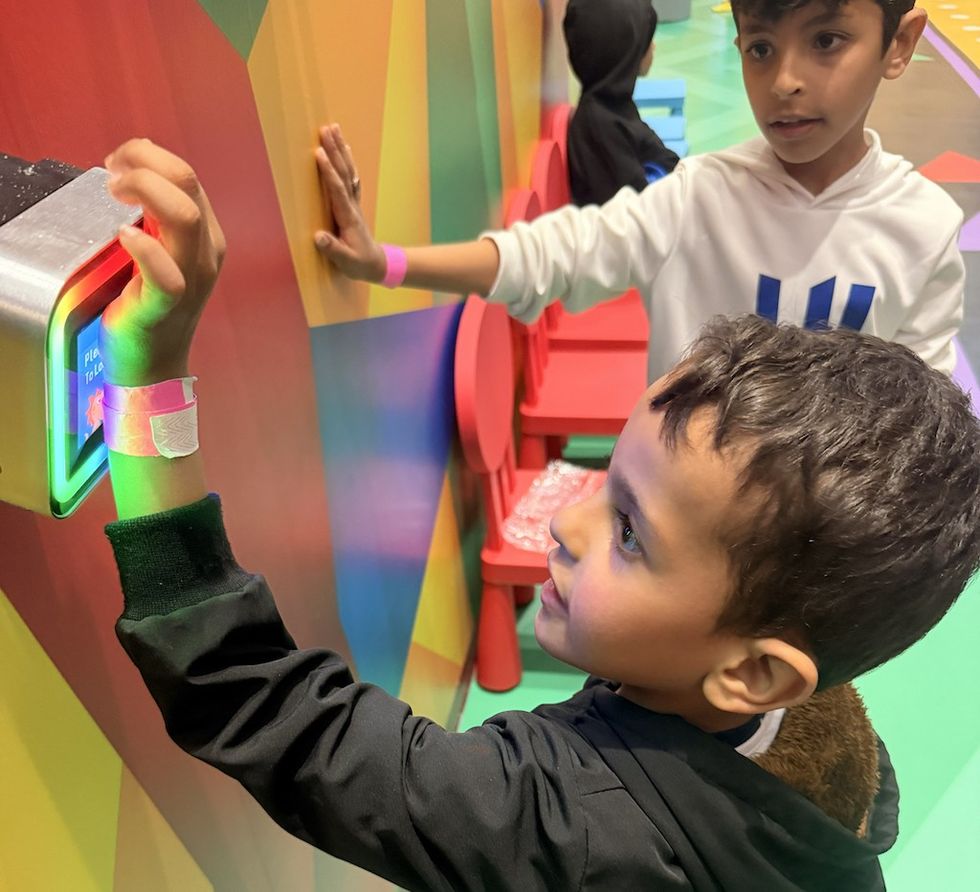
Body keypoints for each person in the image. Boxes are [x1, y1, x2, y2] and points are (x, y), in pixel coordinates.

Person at [101, 138, 980, 891]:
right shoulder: (813, 736)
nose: (566, 523)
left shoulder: (566, 825)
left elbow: (259, 705)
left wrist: (148, 375)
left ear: (752, 673)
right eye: (609, 483)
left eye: (630, 532)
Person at [314, 0, 965, 381]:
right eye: (760, 48)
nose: (786, 80)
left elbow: (924, 427)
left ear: (899, 42)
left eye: (826, 41)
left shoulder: (925, 228)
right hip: (681, 542)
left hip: (826, 572)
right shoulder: (700, 196)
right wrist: (387, 263)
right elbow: (554, 253)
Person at [563, 0, 680, 205]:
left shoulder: (613, 104)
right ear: (624, 53)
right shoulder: (600, 126)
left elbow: (663, 157)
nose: (653, 46)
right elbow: (634, 211)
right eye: (646, 41)